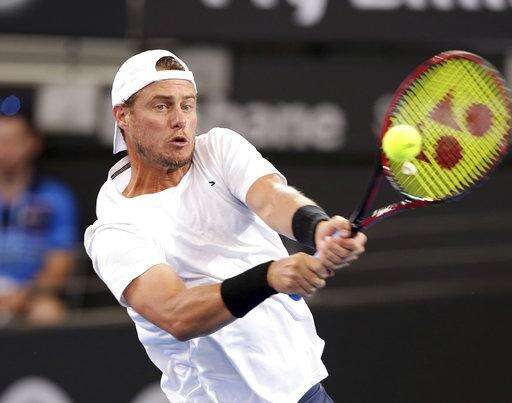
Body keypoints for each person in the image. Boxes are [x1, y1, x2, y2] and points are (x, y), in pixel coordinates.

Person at [84, 49, 367, 403]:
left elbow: (272, 198)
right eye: (161, 106)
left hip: (304, 391)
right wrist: (269, 277)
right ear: (123, 116)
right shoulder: (114, 228)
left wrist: (317, 227)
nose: (179, 120)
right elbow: (177, 313)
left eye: (187, 105)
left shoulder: (219, 148)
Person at [0, 114, 77, 326]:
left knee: (48, 312)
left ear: (32, 143)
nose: (5, 150)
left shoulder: (56, 197)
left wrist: (23, 296)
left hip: (30, 295)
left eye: (12, 141)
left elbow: (60, 262)